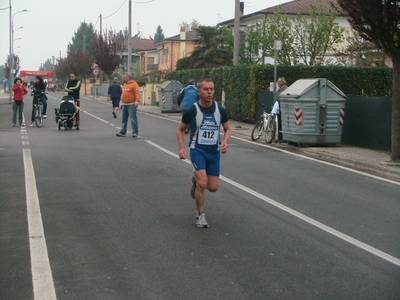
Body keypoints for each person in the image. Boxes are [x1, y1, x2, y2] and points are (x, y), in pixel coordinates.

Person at [176, 78, 232, 228]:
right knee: (203, 183)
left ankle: (196, 182)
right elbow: (180, 129)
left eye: (212, 89)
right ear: (199, 92)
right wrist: (182, 148)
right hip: (197, 150)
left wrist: (225, 141)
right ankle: (200, 215)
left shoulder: (220, 110)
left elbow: (228, 128)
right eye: (206, 89)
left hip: (214, 153)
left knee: (213, 187)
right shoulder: (193, 110)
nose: (209, 92)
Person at [274, 77, 288, 143]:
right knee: (279, 122)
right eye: (277, 81)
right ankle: (279, 137)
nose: (278, 82)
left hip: (283, 107)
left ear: (283, 82)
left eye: (279, 81)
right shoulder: (279, 89)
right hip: (278, 106)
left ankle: (283, 137)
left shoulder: (286, 89)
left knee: (283, 122)